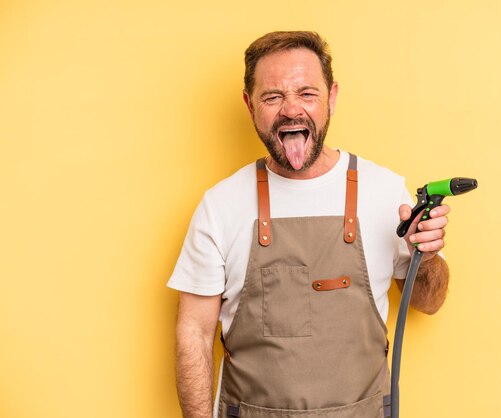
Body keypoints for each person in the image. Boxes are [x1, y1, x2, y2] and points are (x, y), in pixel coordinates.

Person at [168, 31, 451, 418]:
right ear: (250, 105)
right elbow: (193, 334)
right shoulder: (221, 205)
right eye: (273, 97)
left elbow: (428, 303)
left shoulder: (386, 192)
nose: (291, 110)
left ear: (331, 97)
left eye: (306, 93)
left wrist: (428, 256)